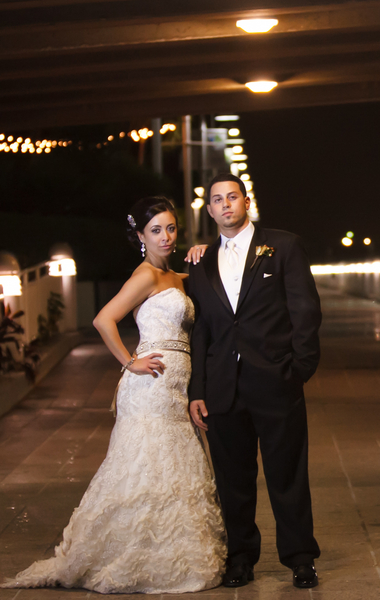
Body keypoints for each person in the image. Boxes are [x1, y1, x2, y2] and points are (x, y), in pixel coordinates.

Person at [1, 197, 226, 594]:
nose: (166, 236)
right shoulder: (144, 276)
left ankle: (168, 550)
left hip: (175, 389)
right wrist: (129, 361)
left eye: (171, 228)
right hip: (150, 388)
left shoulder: (176, 276)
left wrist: (207, 252)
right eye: (156, 230)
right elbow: (103, 318)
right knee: (144, 465)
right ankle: (133, 553)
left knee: (171, 466)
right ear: (141, 236)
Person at [187, 173, 322, 589]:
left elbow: (305, 310)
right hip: (223, 387)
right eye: (217, 200)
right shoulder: (200, 261)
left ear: (246, 202)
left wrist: (298, 368)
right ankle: (240, 559)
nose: (225, 205)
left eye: (232, 197)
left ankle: (300, 558)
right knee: (233, 480)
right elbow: (202, 330)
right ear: (209, 210)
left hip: (275, 380)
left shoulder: (283, 246)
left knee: (287, 474)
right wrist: (198, 390)